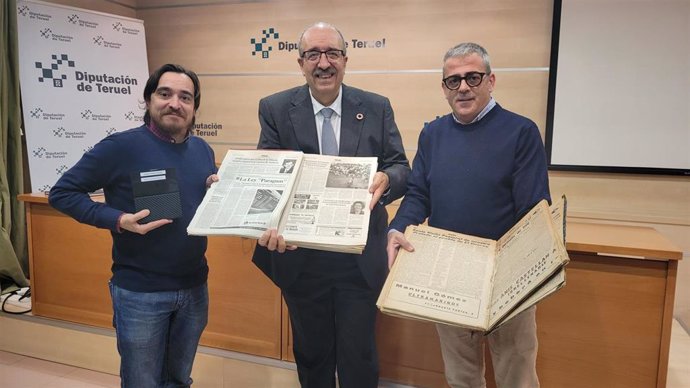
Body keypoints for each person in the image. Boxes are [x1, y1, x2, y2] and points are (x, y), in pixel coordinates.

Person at [252, 22, 410, 388]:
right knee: (311, 356)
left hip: (358, 258)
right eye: (313, 55)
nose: (323, 63)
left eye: (332, 53)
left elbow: (400, 167)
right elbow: (270, 172)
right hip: (300, 257)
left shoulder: (375, 107)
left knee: (360, 358)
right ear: (301, 62)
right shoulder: (275, 108)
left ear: (345, 59)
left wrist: (387, 181)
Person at [387, 42, 550, 388]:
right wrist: (398, 228)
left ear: (491, 81)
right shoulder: (433, 134)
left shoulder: (521, 132)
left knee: (516, 373)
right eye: (453, 80)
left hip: (508, 277)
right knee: (460, 374)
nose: (463, 87)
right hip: (449, 274)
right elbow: (418, 193)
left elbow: (534, 209)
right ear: (444, 88)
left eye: (472, 78)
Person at [49, 64, 217, 388]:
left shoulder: (202, 150)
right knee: (142, 382)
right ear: (148, 99)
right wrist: (117, 219)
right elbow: (62, 193)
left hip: (195, 288)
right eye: (164, 94)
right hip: (140, 293)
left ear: (195, 107)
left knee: (179, 380)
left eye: (185, 97)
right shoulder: (120, 147)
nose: (174, 103)